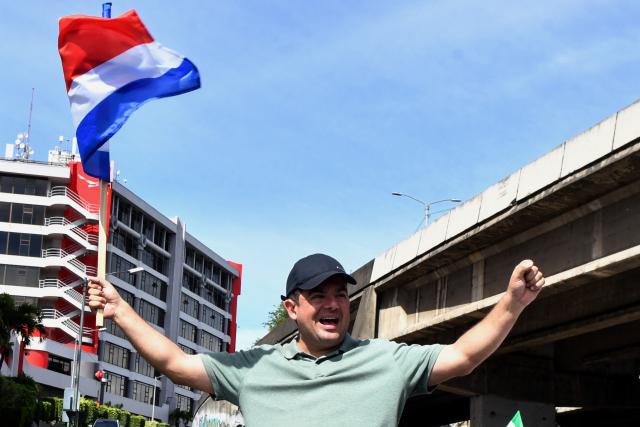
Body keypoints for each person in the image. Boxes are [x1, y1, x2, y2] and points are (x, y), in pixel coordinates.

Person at [88, 253, 544, 427]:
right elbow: (174, 363)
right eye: (318, 295)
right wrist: (121, 310)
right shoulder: (254, 368)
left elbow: (463, 358)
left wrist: (512, 303)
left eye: (340, 294)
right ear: (292, 308)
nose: (332, 304)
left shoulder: (386, 360)